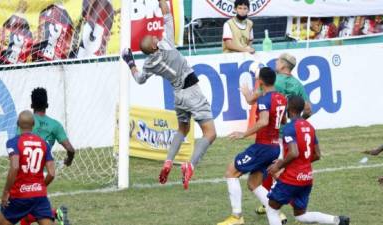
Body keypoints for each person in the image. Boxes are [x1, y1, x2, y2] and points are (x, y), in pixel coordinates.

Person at [121, 0, 216, 190]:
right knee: (210, 134)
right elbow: (167, 15)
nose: (156, 37)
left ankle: (168, 162)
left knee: (183, 129)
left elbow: (139, 79)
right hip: (191, 91)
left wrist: (130, 63)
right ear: (156, 45)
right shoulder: (168, 44)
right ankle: (190, 165)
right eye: (154, 39)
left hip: (178, 96)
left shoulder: (149, 63)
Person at [242, 53, 311, 221]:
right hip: (290, 135)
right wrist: (294, 125)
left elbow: (252, 99)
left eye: (278, 61)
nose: (276, 62)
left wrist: (245, 92)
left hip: (272, 135)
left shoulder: (274, 82)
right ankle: (268, 203)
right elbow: (308, 110)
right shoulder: (298, 85)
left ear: (284, 66)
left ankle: (289, 206)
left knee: (274, 170)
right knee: (273, 169)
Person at [217, 67, 287, 225]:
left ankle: (237, 217)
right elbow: (283, 121)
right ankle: (276, 212)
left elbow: (263, 121)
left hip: (263, 147)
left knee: (231, 172)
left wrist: (243, 134)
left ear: (260, 82)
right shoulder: (281, 98)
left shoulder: (264, 99)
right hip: (275, 147)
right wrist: (246, 92)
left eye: (257, 79)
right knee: (253, 183)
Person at [266, 96, 350, 225]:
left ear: (290, 108)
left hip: (291, 178)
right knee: (301, 215)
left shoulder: (289, 128)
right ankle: (336, 220)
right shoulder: (310, 127)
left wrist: (279, 166)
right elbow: (317, 155)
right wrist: (301, 163)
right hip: (306, 178)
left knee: (272, 208)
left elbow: (294, 153)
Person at [20, 87, 73, 225]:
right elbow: (71, 149)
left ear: (31, 106)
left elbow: (17, 148)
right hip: (44, 173)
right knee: (27, 215)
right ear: (47, 105)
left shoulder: (25, 124)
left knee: (25, 212)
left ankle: (54, 213)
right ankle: (55, 213)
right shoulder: (55, 125)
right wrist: (69, 160)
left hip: (28, 174)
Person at [0, 111, 55, 225]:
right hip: (39, 196)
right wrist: (39, 186)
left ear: (18, 123)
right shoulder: (44, 144)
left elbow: (14, 166)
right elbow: (52, 173)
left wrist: (5, 192)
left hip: (19, 196)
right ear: (33, 124)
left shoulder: (13, 142)